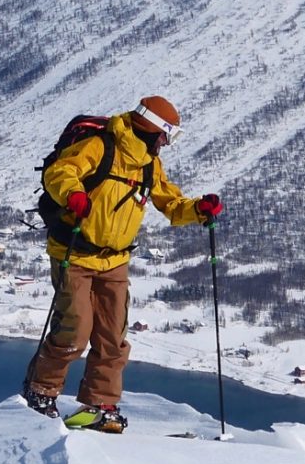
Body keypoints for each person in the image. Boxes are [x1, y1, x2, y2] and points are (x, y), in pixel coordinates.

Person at [21, 96, 223, 432]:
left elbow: (170, 203)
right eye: (166, 136)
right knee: (76, 327)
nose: (166, 143)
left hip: (115, 259)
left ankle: (100, 404)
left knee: (113, 335)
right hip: (75, 252)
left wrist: (199, 209)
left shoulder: (148, 163)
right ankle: (41, 391)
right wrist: (73, 193)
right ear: (151, 129)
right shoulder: (101, 147)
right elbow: (61, 171)